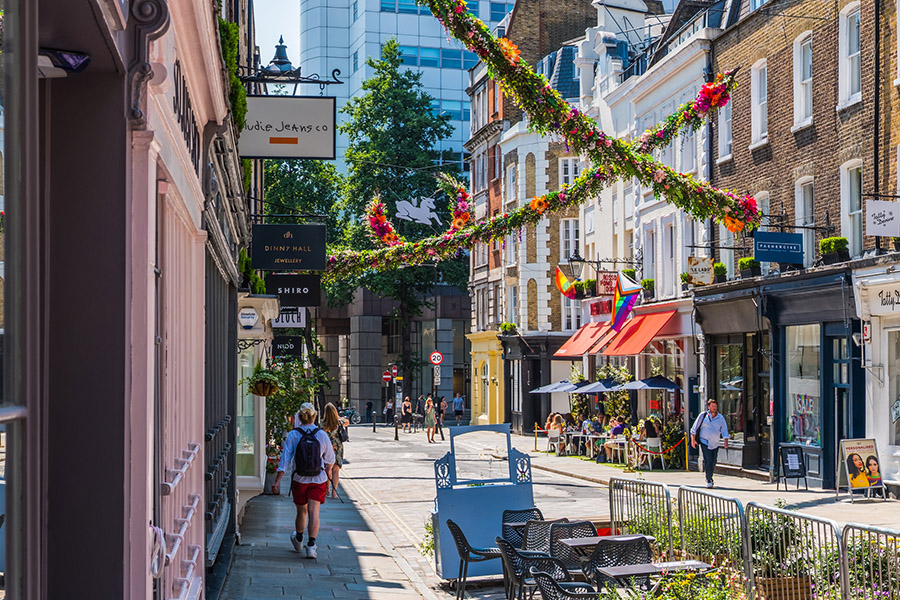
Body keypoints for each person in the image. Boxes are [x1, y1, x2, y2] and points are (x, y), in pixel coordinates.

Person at [272, 402, 335, 559]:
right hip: (318, 479)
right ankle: (311, 546)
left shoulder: (294, 435)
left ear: (299, 417)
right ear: (314, 416)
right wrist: (328, 478)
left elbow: (285, 461)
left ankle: (299, 539)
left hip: (299, 479)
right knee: (314, 512)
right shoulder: (321, 435)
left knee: (302, 511)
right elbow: (330, 460)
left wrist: (278, 481)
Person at [691, 400, 730, 489]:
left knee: (713, 461)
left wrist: (725, 441)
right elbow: (694, 428)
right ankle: (709, 479)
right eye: (712, 406)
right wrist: (693, 440)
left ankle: (710, 476)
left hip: (715, 442)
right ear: (709, 407)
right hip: (704, 441)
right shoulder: (703, 416)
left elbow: (724, 430)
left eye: (715, 406)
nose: (714, 408)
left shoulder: (720, 418)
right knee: (708, 460)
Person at [321, 403, 345, 499]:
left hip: (327, 447)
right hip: (338, 447)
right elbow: (347, 422)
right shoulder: (338, 423)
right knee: (336, 471)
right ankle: (334, 493)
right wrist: (338, 417)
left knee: (328, 469)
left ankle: (327, 489)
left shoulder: (323, 424)